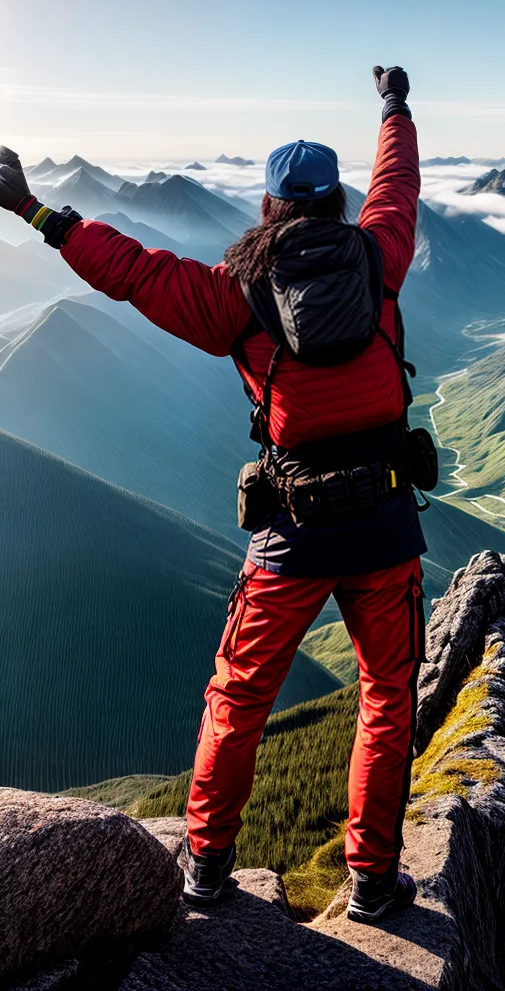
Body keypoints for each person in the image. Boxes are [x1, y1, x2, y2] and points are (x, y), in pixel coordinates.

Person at [0, 66, 427, 924]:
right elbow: (399, 183)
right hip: (384, 523)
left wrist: (37, 212)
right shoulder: (381, 256)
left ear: (270, 207)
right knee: (387, 699)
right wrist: (394, 106)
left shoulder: (232, 293)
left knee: (236, 701)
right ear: (337, 201)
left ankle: (205, 868)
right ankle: (374, 881)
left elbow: (131, 271)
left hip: (293, 534)